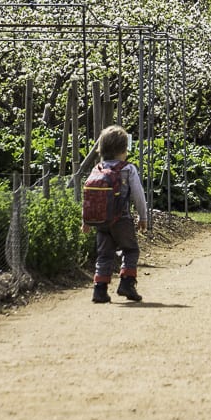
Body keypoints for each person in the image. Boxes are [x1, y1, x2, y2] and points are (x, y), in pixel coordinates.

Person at [88, 124, 149, 303]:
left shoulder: (97, 169)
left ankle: (99, 290)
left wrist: (87, 221)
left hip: (101, 221)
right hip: (121, 219)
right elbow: (138, 195)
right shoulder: (128, 169)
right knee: (130, 250)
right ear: (124, 149)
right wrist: (143, 216)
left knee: (104, 254)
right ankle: (127, 284)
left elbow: (89, 196)